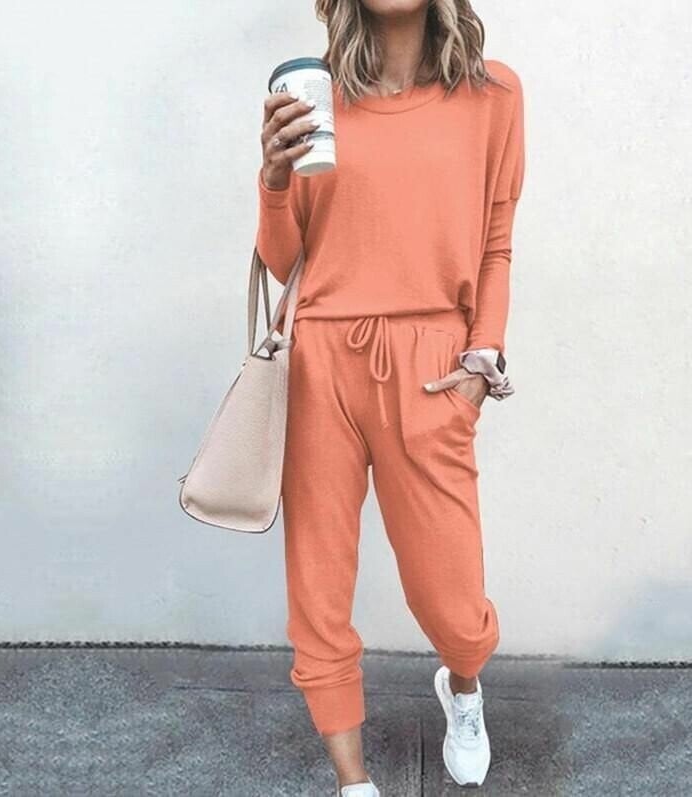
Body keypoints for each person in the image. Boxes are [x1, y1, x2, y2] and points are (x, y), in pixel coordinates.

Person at [256, 1, 524, 793]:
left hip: (430, 365)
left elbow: (497, 240)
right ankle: (353, 781)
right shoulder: (312, 94)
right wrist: (273, 181)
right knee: (318, 588)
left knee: (452, 598)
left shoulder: (493, 95)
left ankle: (463, 682)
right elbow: (283, 261)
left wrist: (480, 360)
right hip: (320, 359)